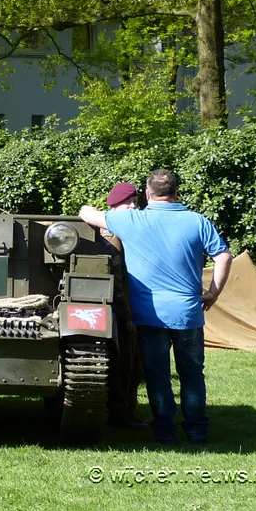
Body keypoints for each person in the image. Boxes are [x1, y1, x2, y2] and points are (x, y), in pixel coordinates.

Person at [79, 169, 232, 444]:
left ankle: (164, 431)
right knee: (192, 373)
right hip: (189, 313)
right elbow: (223, 256)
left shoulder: (131, 220)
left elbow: (86, 212)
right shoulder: (197, 221)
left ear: (148, 195)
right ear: (176, 193)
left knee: (158, 376)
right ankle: (197, 431)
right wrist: (213, 293)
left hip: (150, 315)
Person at [99, 181, 146, 430]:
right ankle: (122, 413)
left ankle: (128, 411)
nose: (133, 207)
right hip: (120, 310)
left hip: (127, 306)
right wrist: (127, 314)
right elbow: (115, 280)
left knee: (132, 364)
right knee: (124, 365)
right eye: (129, 203)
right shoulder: (112, 235)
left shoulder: (124, 231)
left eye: (135, 202)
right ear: (115, 205)